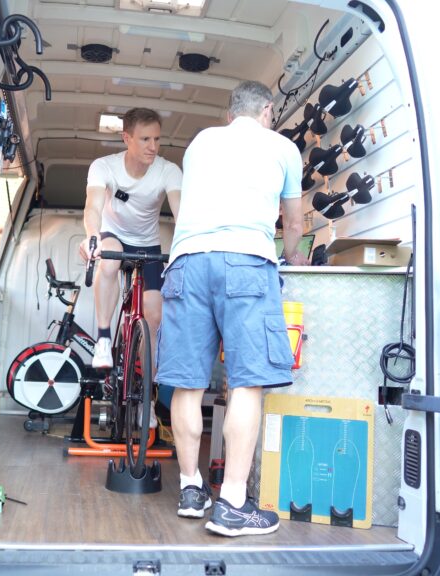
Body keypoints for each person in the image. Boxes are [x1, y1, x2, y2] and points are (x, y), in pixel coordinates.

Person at [156, 81, 305, 537]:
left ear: (228, 114)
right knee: (248, 381)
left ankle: (189, 489)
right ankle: (234, 505)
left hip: (187, 263)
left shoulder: (201, 142)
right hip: (245, 260)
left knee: (186, 382)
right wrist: (289, 254)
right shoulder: (283, 147)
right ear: (267, 110)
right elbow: (295, 221)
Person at [79, 108, 182, 373]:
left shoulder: (168, 171)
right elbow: (93, 206)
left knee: (154, 315)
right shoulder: (104, 167)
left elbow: (182, 212)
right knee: (110, 260)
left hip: (148, 243)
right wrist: (92, 236)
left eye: (157, 139)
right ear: (127, 138)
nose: (153, 147)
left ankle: (147, 385)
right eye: (145, 139)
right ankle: (103, 337)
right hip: (113, 236)